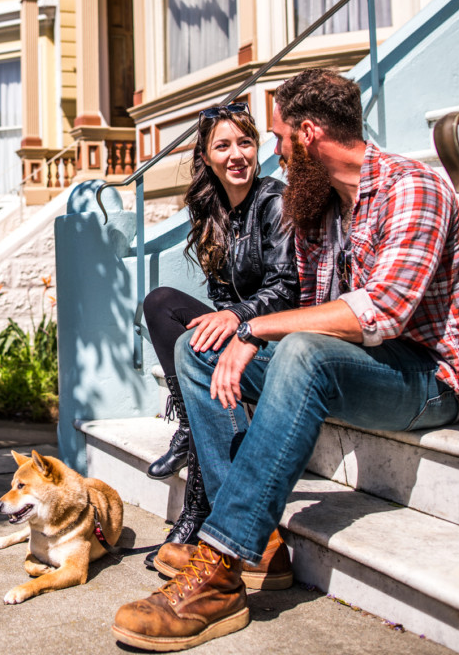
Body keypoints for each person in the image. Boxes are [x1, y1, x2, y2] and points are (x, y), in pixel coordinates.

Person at [112, 69, 459, 652]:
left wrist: (254, 326)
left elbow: (381, 312)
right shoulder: (319, 206)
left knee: (298, 349)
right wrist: (241, 333)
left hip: (430, 377)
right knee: (196, 350)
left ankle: (220, 568)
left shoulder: (412, 187)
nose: (271, 152)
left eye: (276, 138)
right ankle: (262, 542)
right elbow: (299, 298)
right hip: (351, 364)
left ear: (309, 133)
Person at [140, 103, 297, 568]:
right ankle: (190, 429)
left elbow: (288, 287)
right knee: (160, 304)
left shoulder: (275, 200)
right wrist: (227, 319)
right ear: (207, 157)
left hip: (275, 336)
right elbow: (220, 292)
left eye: (245, 143)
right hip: (240, 324)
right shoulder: (210, 210)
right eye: (223, 146)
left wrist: (238, 320)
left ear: (258, 148)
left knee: (197, 351)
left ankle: (196, 510)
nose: (236, 155)